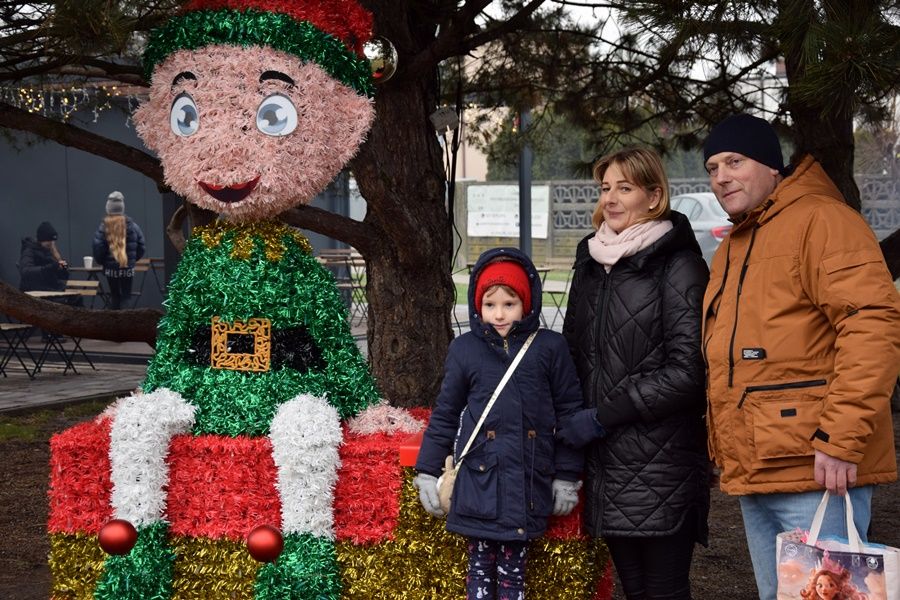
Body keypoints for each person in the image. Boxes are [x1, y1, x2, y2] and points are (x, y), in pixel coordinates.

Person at [701, 113, 900, 600]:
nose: (721, 176)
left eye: (735, 161)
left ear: (772, 167)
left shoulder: (821, 220)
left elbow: (872, 323)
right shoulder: (738, 242)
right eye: (711, 167)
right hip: (759, 463)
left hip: (818, 465)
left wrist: (840, 437)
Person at [555, 147, 711, 599]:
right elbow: (570, 350)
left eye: (625, 188)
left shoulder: (678, 264)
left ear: (654, 194)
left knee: (662, 590)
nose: (612, 199)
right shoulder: (591, 261)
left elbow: (688, 372)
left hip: (661, 462)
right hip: (603, 461)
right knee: (632, 588)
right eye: (606, 189)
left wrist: (605, 414)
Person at [414, 247, 584, 600]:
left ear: (527, 303)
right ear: (478, 306)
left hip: (527, 477)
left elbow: (569, 413)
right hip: (479, 478)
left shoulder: (550, 348)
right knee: (478, 568)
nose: (499, 314)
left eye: (509, 304)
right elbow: (446, 413)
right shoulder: (465, 349)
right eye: (490, 305)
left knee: (512, 573)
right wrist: (428, 470)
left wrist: (567, 476)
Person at [92, 191, 145, 309]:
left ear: (108, 208)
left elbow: (98, 249)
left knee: (115, 296)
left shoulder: (103, 227)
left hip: (111, 270)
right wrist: (131, 260)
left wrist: (104, 262)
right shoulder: (133, 226)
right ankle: (128, 323)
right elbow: (141, 247)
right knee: (126, 297)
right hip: (127, 269)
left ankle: (115, 324)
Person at [19, 221, 68, 292]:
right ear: (41, 239)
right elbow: (25, 272)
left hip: (51, 288)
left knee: (76, 298)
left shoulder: (51, 250)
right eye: (49, 241)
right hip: (35, 289)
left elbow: (63, 277)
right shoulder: (29, 251)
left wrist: (63, 268)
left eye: (53, 241)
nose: (51, 244)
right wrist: (49, 268)